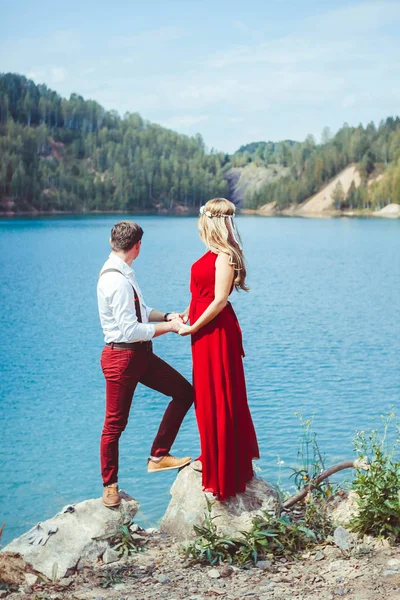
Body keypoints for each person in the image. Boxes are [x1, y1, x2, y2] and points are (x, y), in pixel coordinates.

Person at [97, 220, 193, 508]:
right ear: (137, 246)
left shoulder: (123, 272)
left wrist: (166, 316)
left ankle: (158, 455)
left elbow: (141, 310)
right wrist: (172, 328)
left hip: (140, 355)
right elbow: (129, 330)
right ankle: (110, 485)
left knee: (185, 392)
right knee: (115, 425)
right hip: (122, 357)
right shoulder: (115, 279)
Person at [179, 198, 259, 501]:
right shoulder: (209, 253)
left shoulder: (225, 256)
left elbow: (219, 300)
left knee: (219, 393)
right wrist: (187, 313)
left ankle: (224, 468)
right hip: (201, 329)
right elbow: (199, 294)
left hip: (215, 332)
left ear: (210, 221)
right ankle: (211, 455)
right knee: (205, 394)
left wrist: (194, 325)